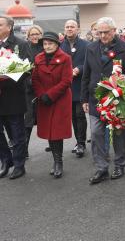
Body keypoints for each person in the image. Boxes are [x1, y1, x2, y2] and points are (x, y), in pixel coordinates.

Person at [81, 17, 125, 185]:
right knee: (96, 133)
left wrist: (121, 78)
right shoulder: (91, 48)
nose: (103, 35)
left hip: (117, 98)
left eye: (106, 32)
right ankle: (101, 167)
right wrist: (84, 98)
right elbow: (86, 74)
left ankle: (119, 164)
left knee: (119, 133)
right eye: (100, 32)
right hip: (94, 98)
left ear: (114, 31)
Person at [32, 32, 73, 178]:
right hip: (44, 100)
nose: (47, 46)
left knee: (57, 132)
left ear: (56, 44)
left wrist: (50, 95)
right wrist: (41, 95)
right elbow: (35, 79)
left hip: (60, 99)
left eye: (50, 43)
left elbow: (67, 80)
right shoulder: (38, 58)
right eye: (45, 44)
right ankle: (55, 161)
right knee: (49, 131)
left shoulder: (65, 58)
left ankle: (58, 162)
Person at [0, 15, 33, 180]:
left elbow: (28, 68)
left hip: (13, 95)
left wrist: (9, 74)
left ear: (9, 27)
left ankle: (19, 165)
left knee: (17, 132)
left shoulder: (20, 44)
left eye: (0, 25)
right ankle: (6, 161)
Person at [61, 20, 89, 158]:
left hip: (81, 84)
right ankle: (78, 141)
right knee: (72, 115)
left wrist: (79, 69)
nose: (70, 29)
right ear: (64, 29)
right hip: (67, 86)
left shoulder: (86, 45)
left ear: (77, 29)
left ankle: (82, 143)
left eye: (72, 27)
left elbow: (89, 62)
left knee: (80, 114)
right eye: (67, 27)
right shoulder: (60, 45)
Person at [24, 25, 44, 157]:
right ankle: (23, 149)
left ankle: (53, 146)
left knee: (46, 117)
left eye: (37, 34)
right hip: (28, 88)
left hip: (44, 87)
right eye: (32, 34)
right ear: (28, 36)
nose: (35, 36)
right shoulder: (25, 48)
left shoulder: (45, 47)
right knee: (28, 120)